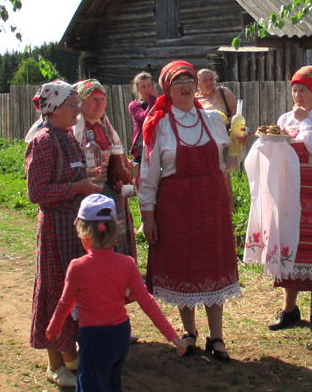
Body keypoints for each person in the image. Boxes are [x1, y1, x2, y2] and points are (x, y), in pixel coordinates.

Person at [139, 60, 244, 362]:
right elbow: (148, 174)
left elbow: (228, 163)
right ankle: (189, 332)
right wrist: (148, 215)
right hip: (175, 206)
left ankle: (218, 336)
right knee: (184, 267)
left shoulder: (213, 119)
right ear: (166, 89)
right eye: (177, 83)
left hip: (212, 202)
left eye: (189, 81)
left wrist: (237, 146)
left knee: (214, 269)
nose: (185, 87)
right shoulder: (157, 124)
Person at [46, 194, 187, 392]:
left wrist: (54, 326)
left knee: (89, 385)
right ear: (114, 231)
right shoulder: (127, 264)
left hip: (93, 338)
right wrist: (173, 337)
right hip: (120, 337)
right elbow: (148, 303)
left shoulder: (77, 267)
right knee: (112, 383)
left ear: (83, 234)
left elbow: (65, 302)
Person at [25, 80, 104, 388]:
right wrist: (77, 187)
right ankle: (55, 364)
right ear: (55, 108)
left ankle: (70, 354)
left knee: (74, 292)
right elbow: (37, 192)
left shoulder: (68, 136)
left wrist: (90, 175)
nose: (77, 110)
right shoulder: (44, 140)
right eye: (73, 105)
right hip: (55, 228)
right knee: (54, 292)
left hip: (74, 226)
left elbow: (72, 172)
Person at [257, 66, 312, 334]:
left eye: (303, 90)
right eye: (294, 89)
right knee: (290, 243)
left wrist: (305, 121)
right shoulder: (285, 118)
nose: (297, 95)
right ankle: (289, 309)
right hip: (290, 187)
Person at [73, 78, 137, 261]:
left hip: (113, 194)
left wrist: (124, 173)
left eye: (102, 98)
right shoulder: (74, 132)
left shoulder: (107, 129)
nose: (100, 104)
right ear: (81, 103)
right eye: (94, 99)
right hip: (88, 197)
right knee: (97, 243)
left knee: (118, 240)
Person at [195, 69, 238, 211]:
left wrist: (223, 123)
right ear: (197, 84)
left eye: (210, 79)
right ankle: (209, 207)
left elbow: (237, 114)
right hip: (204, 143)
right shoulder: (195, 100)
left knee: (224, 173)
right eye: (204, 80)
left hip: (225, 140)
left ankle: (229, 210)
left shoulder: (224, 93)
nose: (208, 83)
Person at [128, 72, 158, 165]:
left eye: (149, 86)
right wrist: (153, 99)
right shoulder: (134, 105)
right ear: (138, 89)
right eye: (143, 87)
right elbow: (145, 117)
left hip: (158, 145)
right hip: (142, 148)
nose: (147, 89)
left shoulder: (159, 102)